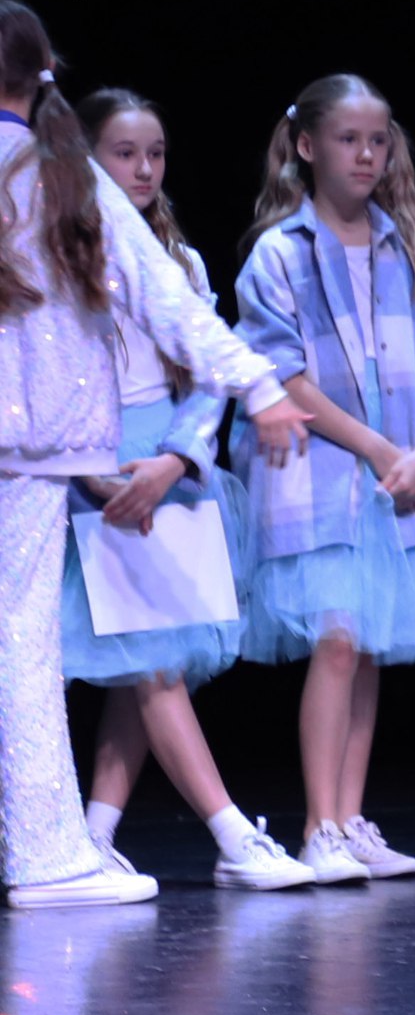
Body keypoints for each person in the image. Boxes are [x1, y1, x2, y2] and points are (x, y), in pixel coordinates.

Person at [0, 2, 307, 909]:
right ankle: (46, 857)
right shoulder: (60, 177)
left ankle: (63, 847)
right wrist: (261, 386)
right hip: (30, 446)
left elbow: (174, 299)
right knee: (20, 639)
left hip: (43, 450)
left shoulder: (63, 177)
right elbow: (168, 305)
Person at [61, 89, 314, 889]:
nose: (144, 169)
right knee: (154, 666)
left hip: (168, 466)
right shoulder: (60, 253)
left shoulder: (181, 261)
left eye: (156, 153)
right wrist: (90, 473)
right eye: (125, 153)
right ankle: (234, 837)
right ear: (87, 160)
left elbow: (210, 372)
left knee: (152, 662)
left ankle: (95, 836)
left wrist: (177, 458)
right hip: (100, 470)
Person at [234, 73, 415, 885]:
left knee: (366, 645)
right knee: (336, 642)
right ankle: (318, 825)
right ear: (308, 146)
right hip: (324, 471)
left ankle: (351, 815)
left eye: (377, 141)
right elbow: (282, 373)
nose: (366, 155)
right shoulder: (280, 253)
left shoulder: (404, 247)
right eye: (348, 140)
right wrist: (375, 446)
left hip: (400, 470)